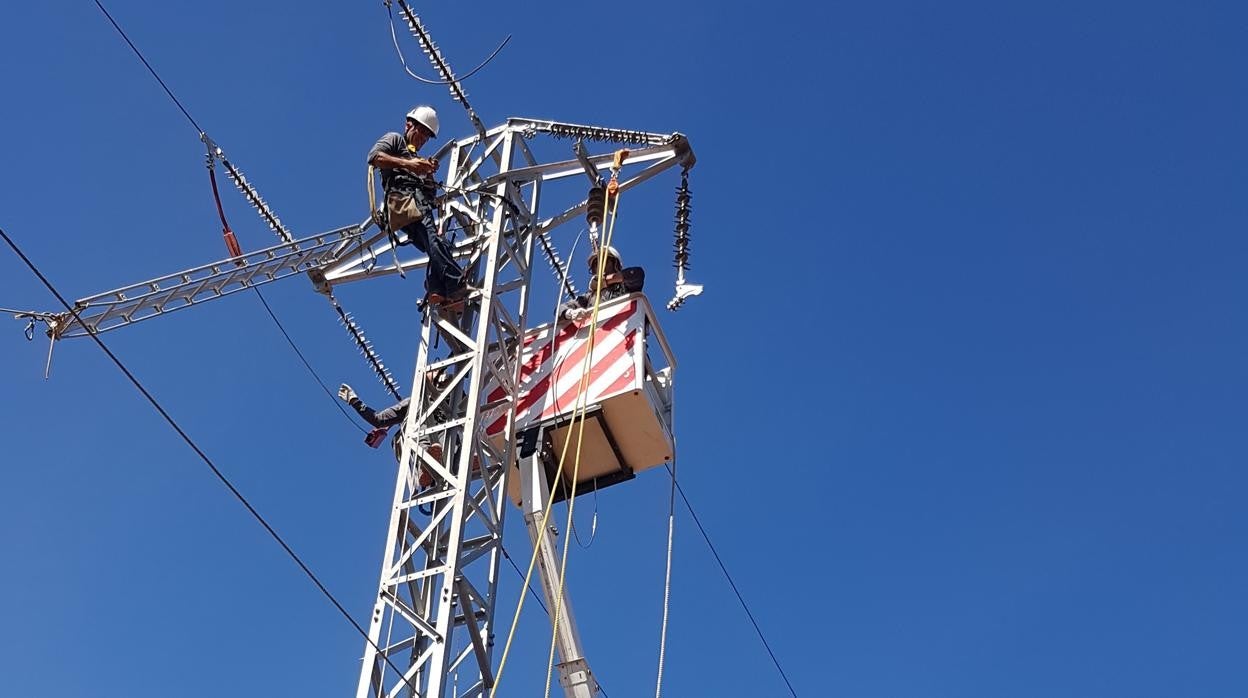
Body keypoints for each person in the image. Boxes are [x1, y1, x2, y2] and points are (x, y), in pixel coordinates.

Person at [368, 105, 467, 304]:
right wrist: (410, 165)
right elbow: (374, 157)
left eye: (426, 137)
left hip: (412, 206)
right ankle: (456, 284)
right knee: (434, 240)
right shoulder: (395, 139)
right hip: (407, 200)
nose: (422, 139)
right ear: (409, 125)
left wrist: (428, 175)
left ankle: (436, 289)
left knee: (439, 245)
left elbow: (430, 193)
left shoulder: (417, 158)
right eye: (421, 132)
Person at [339, 369, 455, 488]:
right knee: (415, 422)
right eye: (436, 373)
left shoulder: (454, 398)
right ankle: (426, 462)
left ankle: (448, 459)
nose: (441, 376)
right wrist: (354, 401)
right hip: (426, 442)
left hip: (449, 446)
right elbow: (378, 419)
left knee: (453, 427)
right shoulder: (414, 402)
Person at [561, 246, 645, 322]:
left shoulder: (625, 287)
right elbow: (560, 309)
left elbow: (636, 274)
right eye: (595, 264)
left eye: (604, 261)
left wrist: (606, 281)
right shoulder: (590, 296)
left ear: (615, 265)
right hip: (597, 331)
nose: (599, 267)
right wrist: (570, 313)